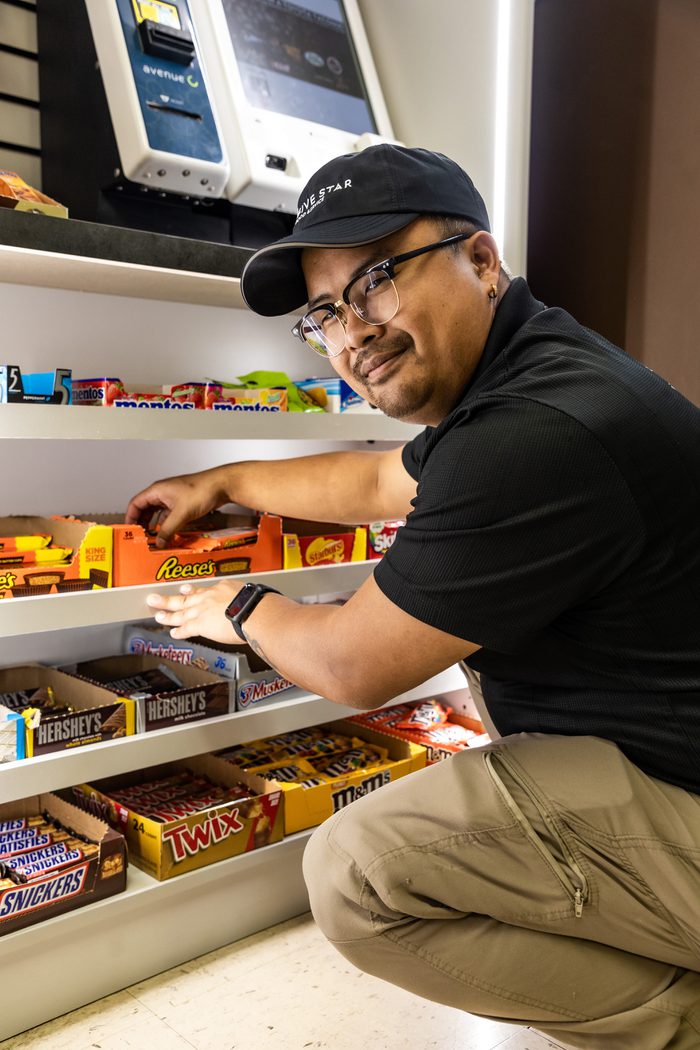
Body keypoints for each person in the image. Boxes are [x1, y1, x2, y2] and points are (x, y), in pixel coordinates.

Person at [126, 145, 700, 1049]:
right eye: (325, 314)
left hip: (684, 797)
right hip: (661, 763)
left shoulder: (528, 437)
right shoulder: (532, 376)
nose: (353, 334)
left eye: (377, 282)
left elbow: (353, 667)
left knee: (359, 873)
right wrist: (222, 478)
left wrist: (239, 609)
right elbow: (374, 482)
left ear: (481, 260)